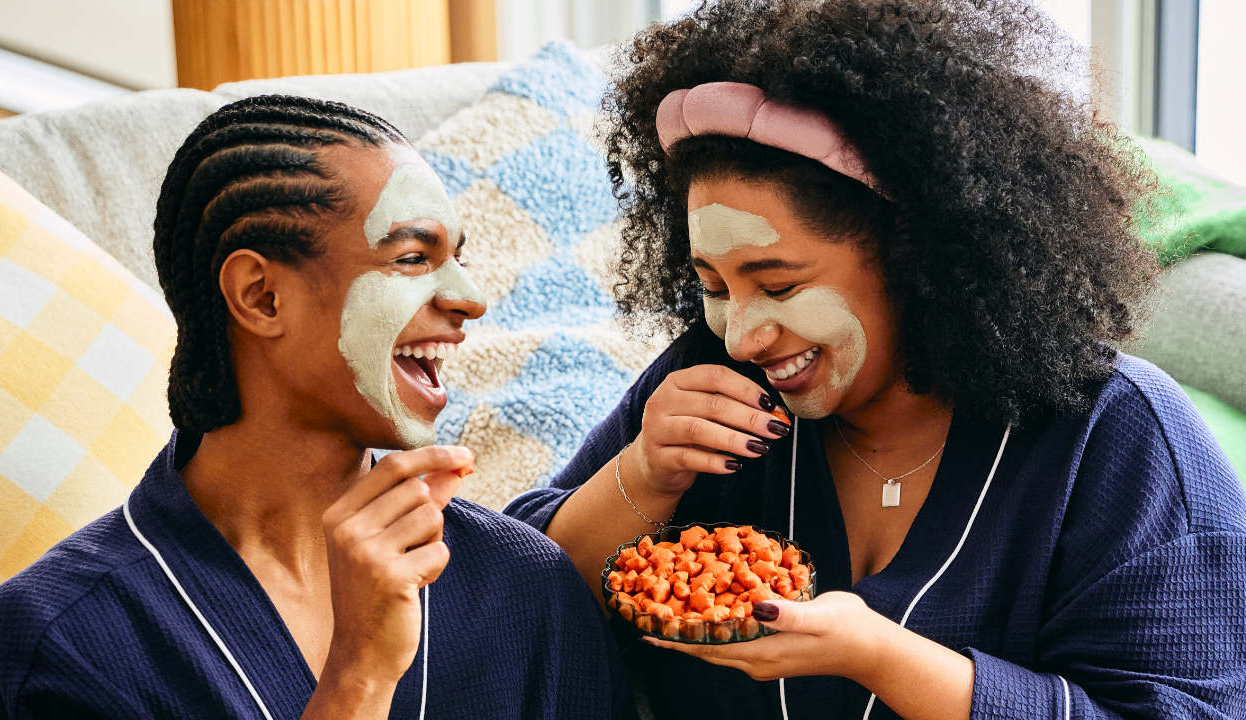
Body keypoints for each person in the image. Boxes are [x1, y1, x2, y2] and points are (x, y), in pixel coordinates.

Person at [505, 1, 1246, 718]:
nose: (742, 335)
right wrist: (639, 477)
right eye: (713, 286)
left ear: (918, 254)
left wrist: (881, 657)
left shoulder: (1116, 438)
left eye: (780, 283)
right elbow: (507, 616)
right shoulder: (707, 387)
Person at [0, 95, 635, 720]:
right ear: (261, 296)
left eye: (456, 260)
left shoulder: (524, 586)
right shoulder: (59, 638)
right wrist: (358, 677)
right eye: (410, 257)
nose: (469, 299)